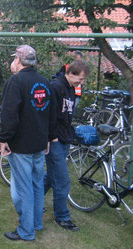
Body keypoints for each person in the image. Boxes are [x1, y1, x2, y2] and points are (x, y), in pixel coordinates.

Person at [0, 45, 57, 241]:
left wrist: (3, 139)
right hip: (39, 143)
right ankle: (36, 223)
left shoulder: (15, 82)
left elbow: (9, 115)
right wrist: (48, 137)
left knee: (24, 189)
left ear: (18, 59)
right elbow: (51, 114)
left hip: (22, 145)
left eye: (14, 58)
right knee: (37, 184)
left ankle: (26, 231)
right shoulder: (44, 82)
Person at [44, 59, 90, 232]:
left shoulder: (70, 88)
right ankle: (62, 217)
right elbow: (49, 115)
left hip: (64, 139)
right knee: (62, 181)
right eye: (81, 78)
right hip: (55, 140)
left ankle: (33, 202)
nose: (82, 82)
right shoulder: (55, 87)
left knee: (51, 177)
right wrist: (52, 137)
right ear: (71, 73)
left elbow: (66, 115)